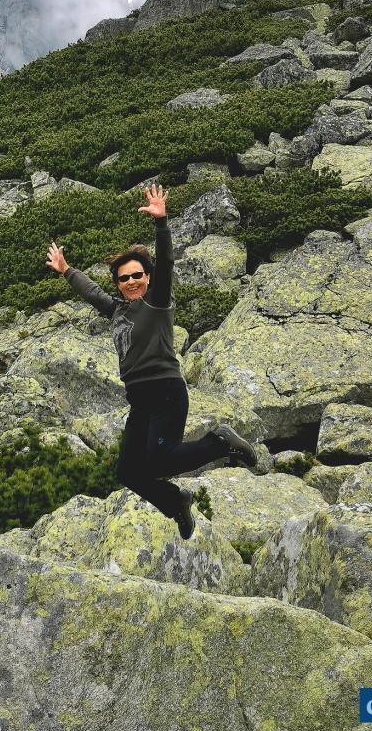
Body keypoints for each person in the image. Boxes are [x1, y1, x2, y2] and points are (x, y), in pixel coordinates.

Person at [45, 181, 257, 539]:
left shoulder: (157, 303)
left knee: (161, 459)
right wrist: (67, 269)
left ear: (148, 277)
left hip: (165, 391)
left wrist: (161, 223)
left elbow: (167, 262)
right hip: (140, 400)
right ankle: (176, 501)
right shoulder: (117, 310)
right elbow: (92, 292)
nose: (131, 281)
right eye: (124, 278)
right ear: (118, 283)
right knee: (129, 472)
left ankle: (220, 442)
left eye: (137, 275)